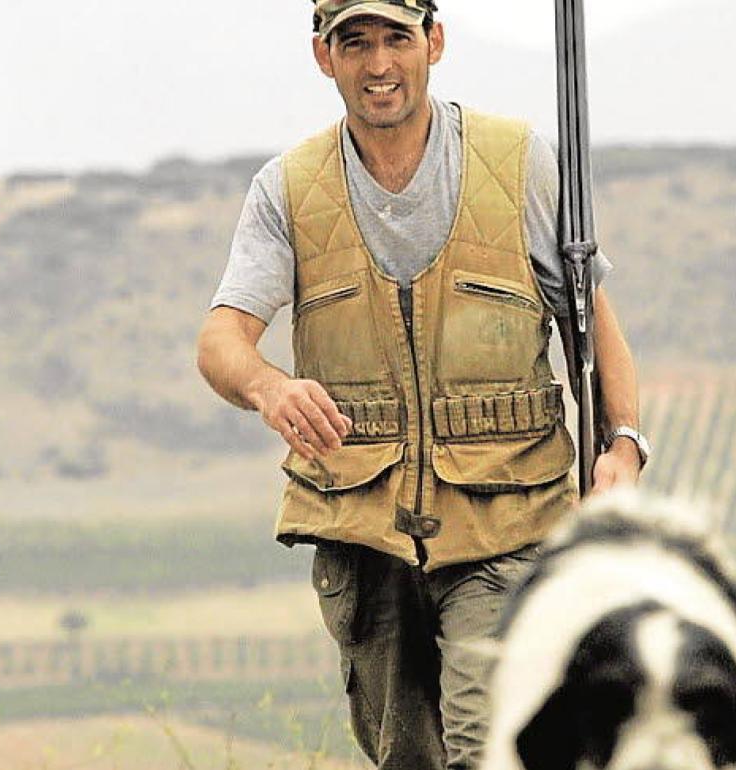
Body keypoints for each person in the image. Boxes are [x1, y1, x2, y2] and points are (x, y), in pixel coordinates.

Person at [195, 1, 649, 768]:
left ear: (433, 43)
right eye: (355, 43)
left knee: (490, 749)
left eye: (397, 39)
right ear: (323, 56)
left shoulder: (521, 163)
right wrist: (270, 387)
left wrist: (624, 447)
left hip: (508, 522)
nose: (379, 65)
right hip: (365, 538)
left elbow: (593, 328)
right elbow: (219, 342)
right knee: (404, 756)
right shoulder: (289, 189)